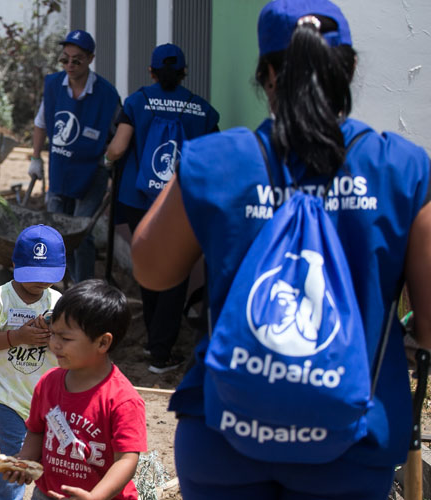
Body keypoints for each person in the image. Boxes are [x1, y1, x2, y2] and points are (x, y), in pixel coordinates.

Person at [130, 1, 431, 497]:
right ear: (349, 68)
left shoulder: (218, 161)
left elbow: (152, 269)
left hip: (224, 436)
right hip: (352, 444)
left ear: (265, 73)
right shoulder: (401, 168)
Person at [102, 43, 220, 374]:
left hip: (138, 202)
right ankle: (161, 351)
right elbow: (212, 158)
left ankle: (155, 341)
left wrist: (108, 158)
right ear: (184, 73)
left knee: (148, 265)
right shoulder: (203, 110)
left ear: (151, 72)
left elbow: (118, 148)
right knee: (175, 274)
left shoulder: (138, 101)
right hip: (181, 204)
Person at [3, 279, 146, 500]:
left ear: (102, 343)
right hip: (47, 493)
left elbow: (126, 460)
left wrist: (96, 496)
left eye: (66, 338)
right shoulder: (49, 382)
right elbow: (37, 430)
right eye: (53, 334)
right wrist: (26, 461)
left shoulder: (122, 400)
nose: (54, 344)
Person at [0, 224, 65, 500]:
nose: (40, 282)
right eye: (33, 274)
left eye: (47, 276)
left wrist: (51, 340)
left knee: (49, 456)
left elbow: (68, 345)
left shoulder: (57, 302)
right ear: (14, 265)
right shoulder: (0, 298)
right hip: (7, 399)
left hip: (45, 401)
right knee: (18, 456)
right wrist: (18, 336)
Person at [28, 30, 121, 284]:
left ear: (90, 58)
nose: (69, 65)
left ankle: (84, 288)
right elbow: (40, 123)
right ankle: (60, 282)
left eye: (77, 60)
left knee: (82, 234)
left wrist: (109, 162)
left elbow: (119, 134)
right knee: (56, 232)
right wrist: (35, 158)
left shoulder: (107, 95)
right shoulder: (54, 85)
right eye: (65, 59)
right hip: (61, 168)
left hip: (92, 173)